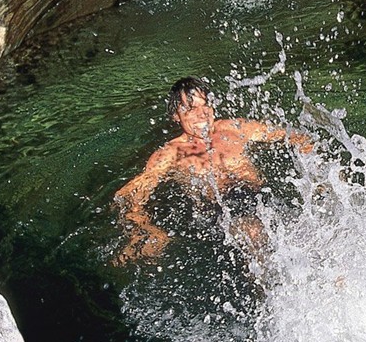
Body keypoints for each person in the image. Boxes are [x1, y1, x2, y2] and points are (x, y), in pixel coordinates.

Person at [112, 77, 312, 264]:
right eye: (190, 108)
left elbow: (291, 135)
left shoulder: (235, 128)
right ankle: (276, 290)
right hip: (220, 209)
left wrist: (312, 163)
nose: (202, 113)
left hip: (263, 199)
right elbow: (129, 195)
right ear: (176, 116)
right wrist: (145, 230)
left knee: (309, 233)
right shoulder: (171, 153)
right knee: (254, 237)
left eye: (205, 104)